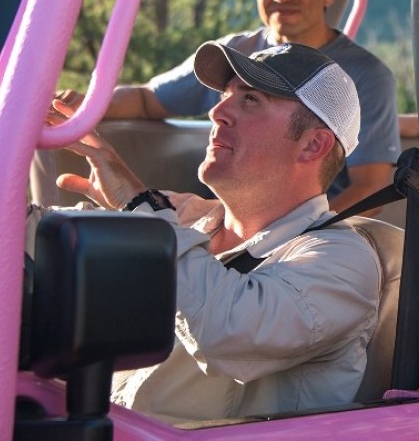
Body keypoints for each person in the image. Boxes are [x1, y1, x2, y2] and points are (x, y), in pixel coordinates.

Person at [35, 41, 381, 424]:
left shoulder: (342, 262)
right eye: (225, 96)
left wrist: (138, 205)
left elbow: (228, 332)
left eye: (250, 100)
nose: (217, 112)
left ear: (313, 144)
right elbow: (34, 235)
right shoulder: (186, 220)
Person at [0, 0, 400, 213]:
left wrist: (289, 244)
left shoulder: (365, 77)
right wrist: (82, 107)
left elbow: (370, 186)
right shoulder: (235, 51)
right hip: (230, 217)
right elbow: (149, 99)